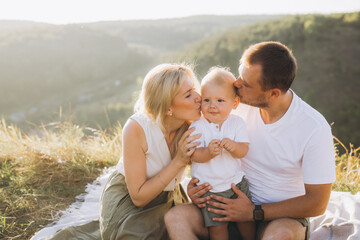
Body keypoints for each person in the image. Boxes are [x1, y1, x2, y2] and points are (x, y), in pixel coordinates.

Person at [164, 41, 336, 240]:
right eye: (240, 75)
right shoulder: (234, 104)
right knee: (175, 218)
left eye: (246, 84)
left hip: (278, 217)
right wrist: (197, 191)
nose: (236, 84)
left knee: (279, 235)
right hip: (223, 200)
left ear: (273, 94)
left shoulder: (313, 128)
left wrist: (254, 212)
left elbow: (318, 203)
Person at [41, 63, 202, 240]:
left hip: (168, 197)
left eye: (194, 89)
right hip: (129, 199)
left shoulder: (195, 124)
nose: (198, 98)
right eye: (188, 95)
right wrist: (178, 161)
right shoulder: (137, 128)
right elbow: (138, 198)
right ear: (168, 107)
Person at [189, 67, 254, 240]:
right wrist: (207, 153)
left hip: (235, 184)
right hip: (210, 189)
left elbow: (244, 150)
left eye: (220, 100)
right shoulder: (198, 126)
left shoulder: (236, 123)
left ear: (235, 103)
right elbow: (193, 154)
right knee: (217, 228)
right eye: (207, 100)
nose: (212, 106)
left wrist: (233, 147)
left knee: (247, 222)